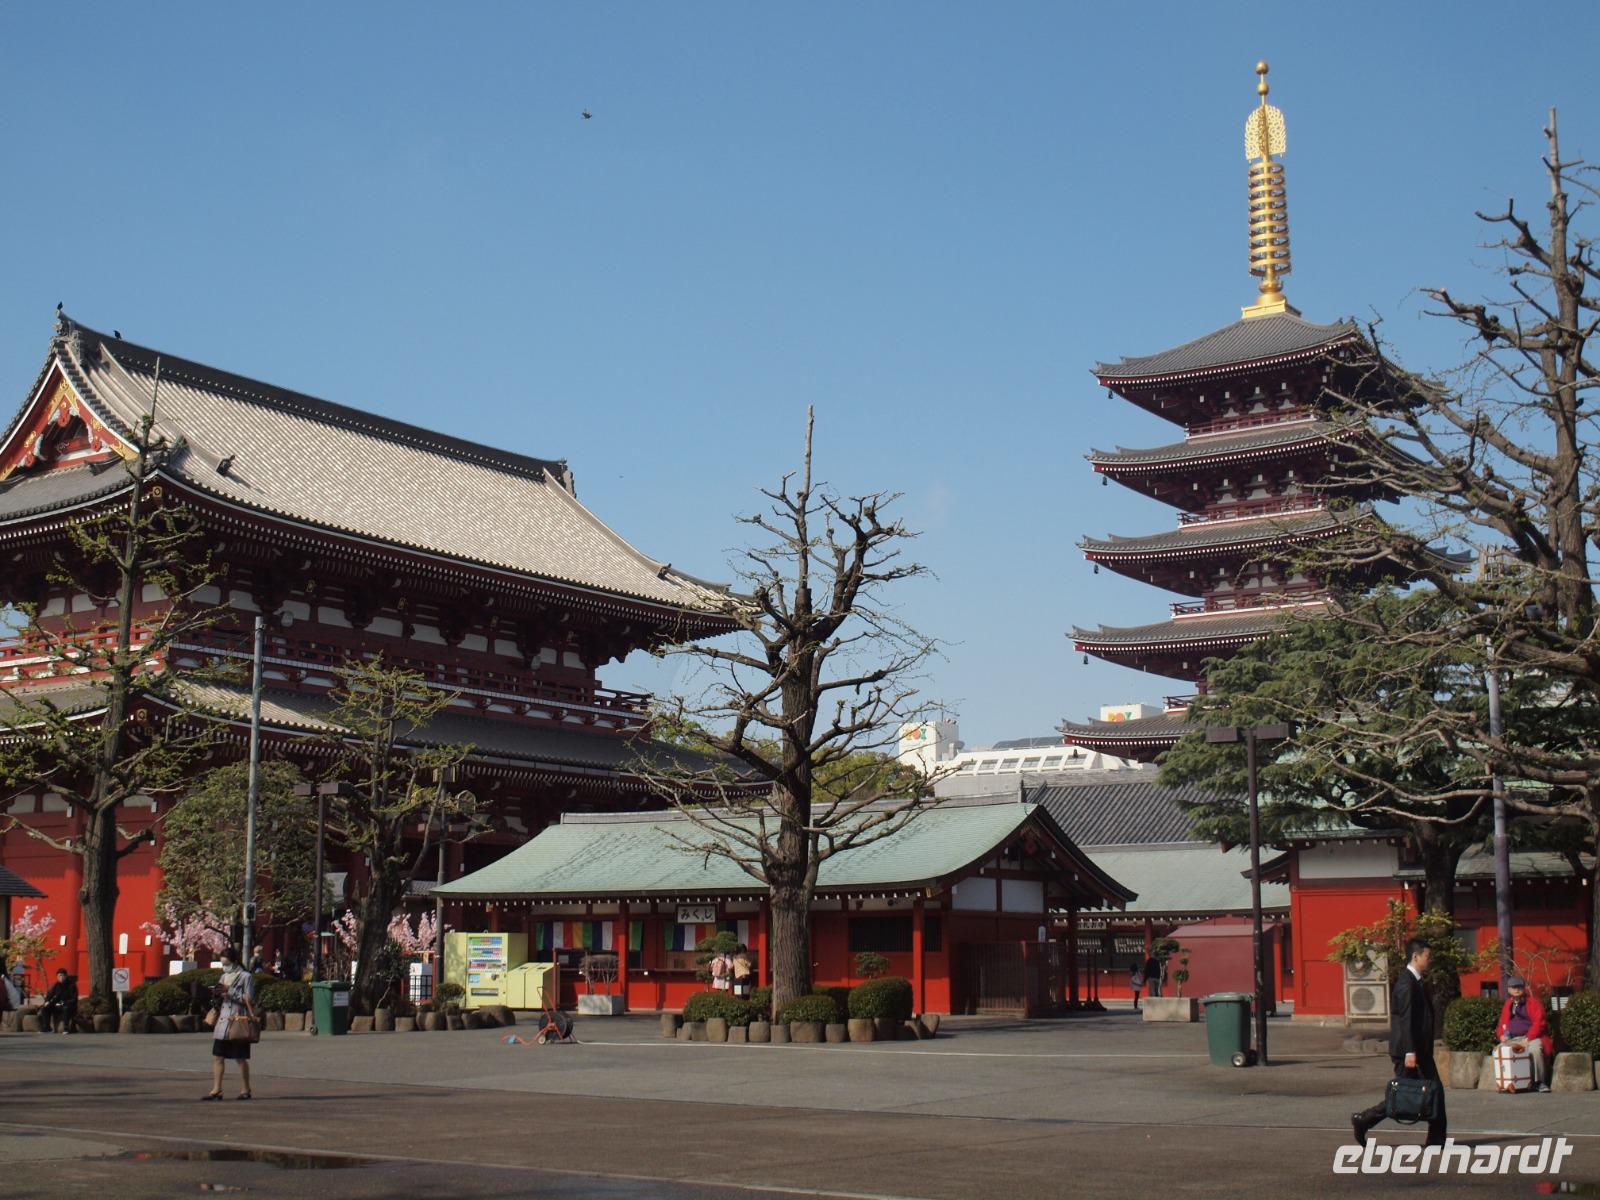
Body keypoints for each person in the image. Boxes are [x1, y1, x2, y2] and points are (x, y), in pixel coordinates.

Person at [1352, 938, 1447, 1146]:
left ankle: (1436, 1139)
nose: (1429, 960)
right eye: (1427, 957)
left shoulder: (1417, 981)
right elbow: (1406, 1020)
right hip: (1409, 1051)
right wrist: (1410, 1052)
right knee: (1403, 1094)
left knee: (1430, 1091)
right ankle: (1364, 1119)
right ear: (1416, 956)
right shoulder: (1406, 984)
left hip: (1419, 1050)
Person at [206, 945, 258, 1101]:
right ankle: (217, 1089)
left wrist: (229, 990)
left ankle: (245, 1089)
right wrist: (216, 993)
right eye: (222, 964)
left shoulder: (245, 976)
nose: (224, 967)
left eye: (227, 964)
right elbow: (222, 995)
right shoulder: (223, 977)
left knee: (240, 1058)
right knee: (218, 1056)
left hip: (238, 1021)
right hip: (223, 1021)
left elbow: (248, 999)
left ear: (235, 962)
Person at [1496, 975, 1552, 1093]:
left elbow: (1539, 1022)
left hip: (1531, 1037)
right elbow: (1502, 1023)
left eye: (1519, 987)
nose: (1517, 989)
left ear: (1524, 988)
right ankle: (1506, 1082)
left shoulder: (1533, 1002)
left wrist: (1528, 1038)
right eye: (1514, 987)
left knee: (1535, 1050)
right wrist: (1501, 1035)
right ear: (1509, 989)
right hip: (1513, 1038)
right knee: (1499, 1050)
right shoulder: (1508, 1004)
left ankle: (1539, 1082)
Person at [39, 969, 77, 1034]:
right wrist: (47, 1002)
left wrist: (62, 1003)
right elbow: (50, 995)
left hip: (67, 1005)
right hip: (57, 1005)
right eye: (59, 976)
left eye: (63, 976)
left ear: (66, 976)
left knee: (66, 1008)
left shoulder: (72, 986)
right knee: (45, 1008)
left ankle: (66, 1028)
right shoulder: (56, 985)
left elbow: (73, 999)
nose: (61, 978)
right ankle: (47, 1028)